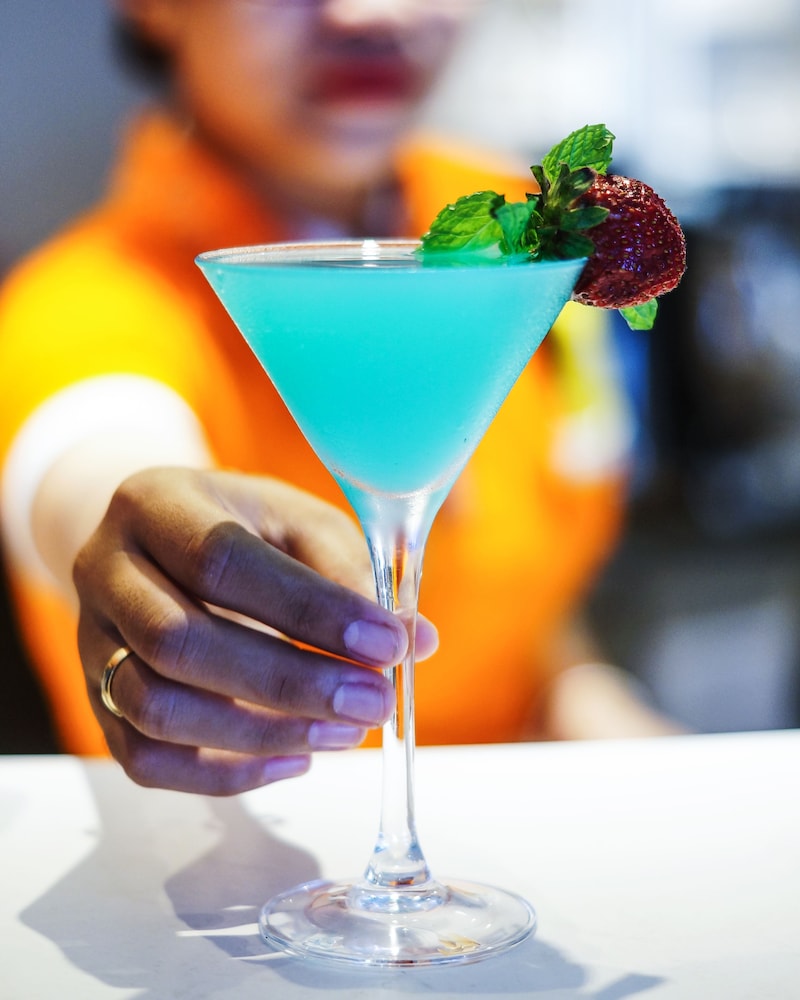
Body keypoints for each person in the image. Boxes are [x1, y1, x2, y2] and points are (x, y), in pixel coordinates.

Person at [0, 0, 678, 796]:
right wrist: (142, 533)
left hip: (508, 833)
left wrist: (590, 698)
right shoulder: (88, 303)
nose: (368, 14)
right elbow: (91, 447)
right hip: (238, 843)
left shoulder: (519, 232)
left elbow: (517, 575)